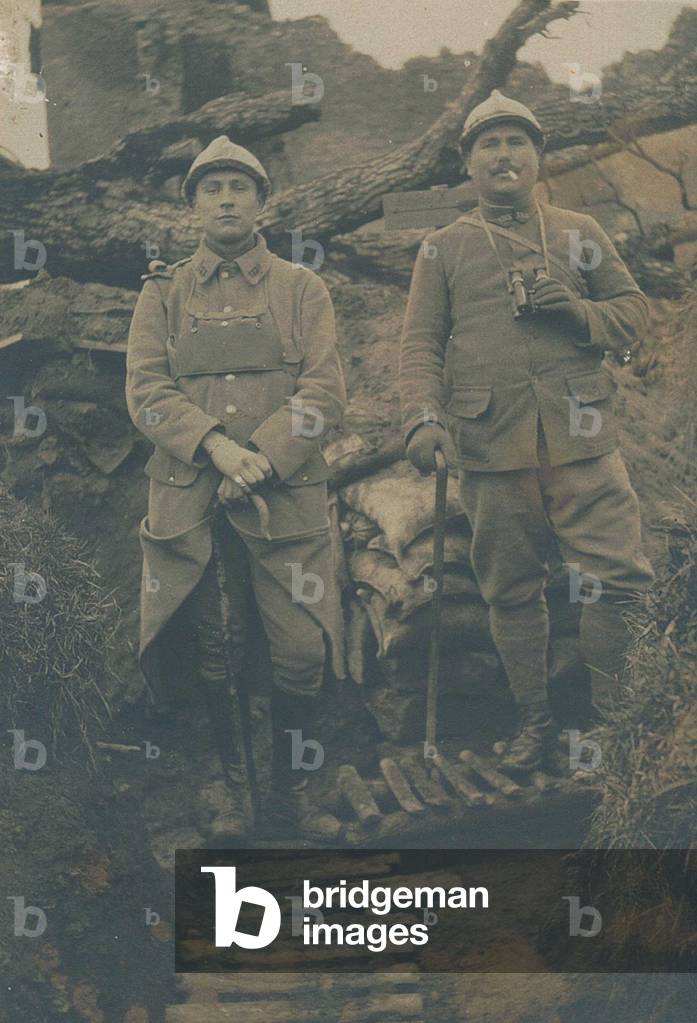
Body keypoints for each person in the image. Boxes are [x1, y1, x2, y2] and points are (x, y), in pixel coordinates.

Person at [399, 91, 654, 772]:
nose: (504, 155)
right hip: (491, 444)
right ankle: (534, 724)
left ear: (539, 158)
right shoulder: (443, 247)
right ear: (468, 164)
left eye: (517, 142)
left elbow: (633, 314)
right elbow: (420, 344)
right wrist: (423, 418)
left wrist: (575, 312)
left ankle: (615, 725)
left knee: (618, 581)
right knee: (509, 589)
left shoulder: (578, 231)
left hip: (581, 440)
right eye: (488, 144)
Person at [126, 136, 347, 838]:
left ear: (261, 201)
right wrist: (214, 446)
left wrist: (262, 455)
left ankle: (294, 788)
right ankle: (225, 791)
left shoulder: (300, 288)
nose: (225, 199)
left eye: (238, 187)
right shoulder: (162, 294)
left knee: (300, 647)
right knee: (207, 647)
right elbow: (145, 390)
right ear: (191, 205)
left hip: (283, 496)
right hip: (189, 497)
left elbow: (324, 390)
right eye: (211, 188)